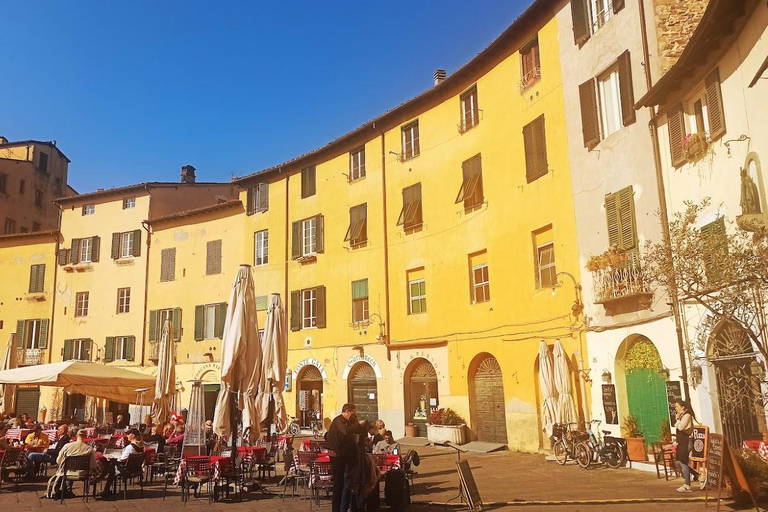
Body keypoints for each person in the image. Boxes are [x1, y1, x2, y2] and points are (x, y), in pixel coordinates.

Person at [325, 403, 364, 512]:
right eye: (353, 413)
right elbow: (346, 431)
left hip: (343, 455)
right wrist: (358, 425)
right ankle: (336, 509)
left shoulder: (346, 422)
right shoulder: (339, 421)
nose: (353, 416)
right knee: (338, 484)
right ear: (347, 411)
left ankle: (345, 506)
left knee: (345, 483)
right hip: (337, 457)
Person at [46, 429, 97, 499]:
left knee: (69, 468)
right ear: (85, 437)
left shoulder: (67, 446)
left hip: (67, 472)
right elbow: (93, 465)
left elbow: (58, 460)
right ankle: (71, 491)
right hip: (82, 473)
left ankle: (67, 490)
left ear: (76, 436)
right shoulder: (89, 449)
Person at [99, 428, 144, 497]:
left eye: (128, 434)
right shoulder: (141, 447)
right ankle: (105, 487)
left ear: (132, 435)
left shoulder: (130, 448)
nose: (127, 436)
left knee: (111, 465)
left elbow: (122, 460)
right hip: (136, 469)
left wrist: (113, 458)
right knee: (112, 465)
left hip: (126, 470)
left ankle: (104, 486)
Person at [674, 399, 703, 493]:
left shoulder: (686, 416)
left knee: (683, 461)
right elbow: (677, 426)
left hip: (687, 441)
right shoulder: (682, 416)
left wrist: (678, 420)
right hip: (682, 441)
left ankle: (687, 485)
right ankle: (698, 476)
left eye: (677, 406)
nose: (676, 408)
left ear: (682, 407)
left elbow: (681, 427)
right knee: (679, 461)